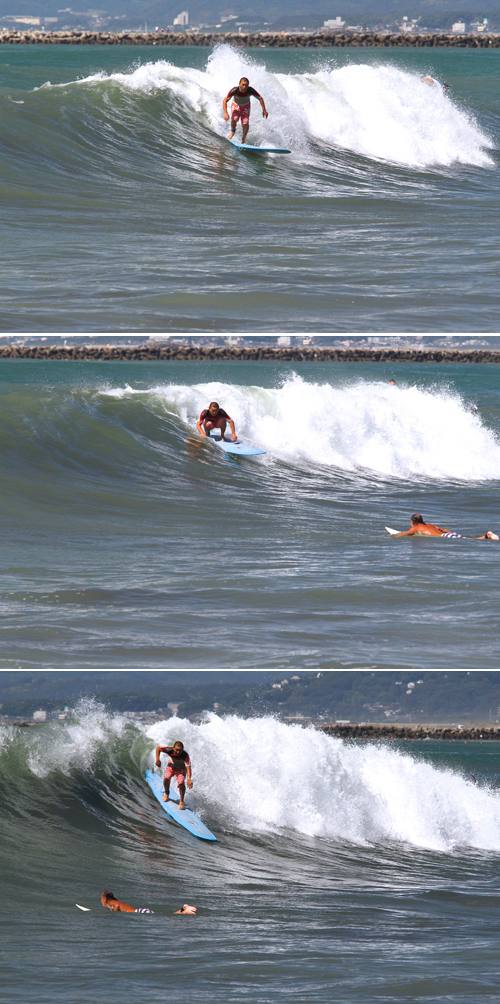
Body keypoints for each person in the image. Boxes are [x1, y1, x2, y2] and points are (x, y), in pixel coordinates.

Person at [223, 77, 268, 144]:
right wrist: (226, 113)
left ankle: (243, 139)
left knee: (245, 122)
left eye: (246, 85)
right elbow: (225, 100)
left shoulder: (250, 90)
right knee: (234, 118)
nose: (244, 87)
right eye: (243, 85)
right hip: (236, 105)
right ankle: (232, 132)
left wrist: (264, 110)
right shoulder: (235, 90)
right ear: (239, 84)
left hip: (246, 106)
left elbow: (260, 98)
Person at [392, 514, 498, 540]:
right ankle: (486, 536)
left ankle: (488, 536)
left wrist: (391, 536)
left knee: (471, 540)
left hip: (446, 536)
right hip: (449, 534)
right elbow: (442, 529)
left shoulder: (415, 528)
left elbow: (403, 534)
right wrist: (453, 533)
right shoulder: (429, 525)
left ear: (413, 522)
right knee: (470, 539)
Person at [155, 739, 193, 809]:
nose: (178, 752)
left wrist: (189, 779)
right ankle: (167, 793)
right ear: (173, 748)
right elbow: (158, 748)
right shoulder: (169, 750)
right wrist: (157, 759)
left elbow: (188, 768)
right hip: (172, 765)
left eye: (180, 750)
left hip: (181, 768)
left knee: (181, 783)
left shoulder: (185, 755)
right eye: (177, 750)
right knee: (166, 778)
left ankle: (181, 801)